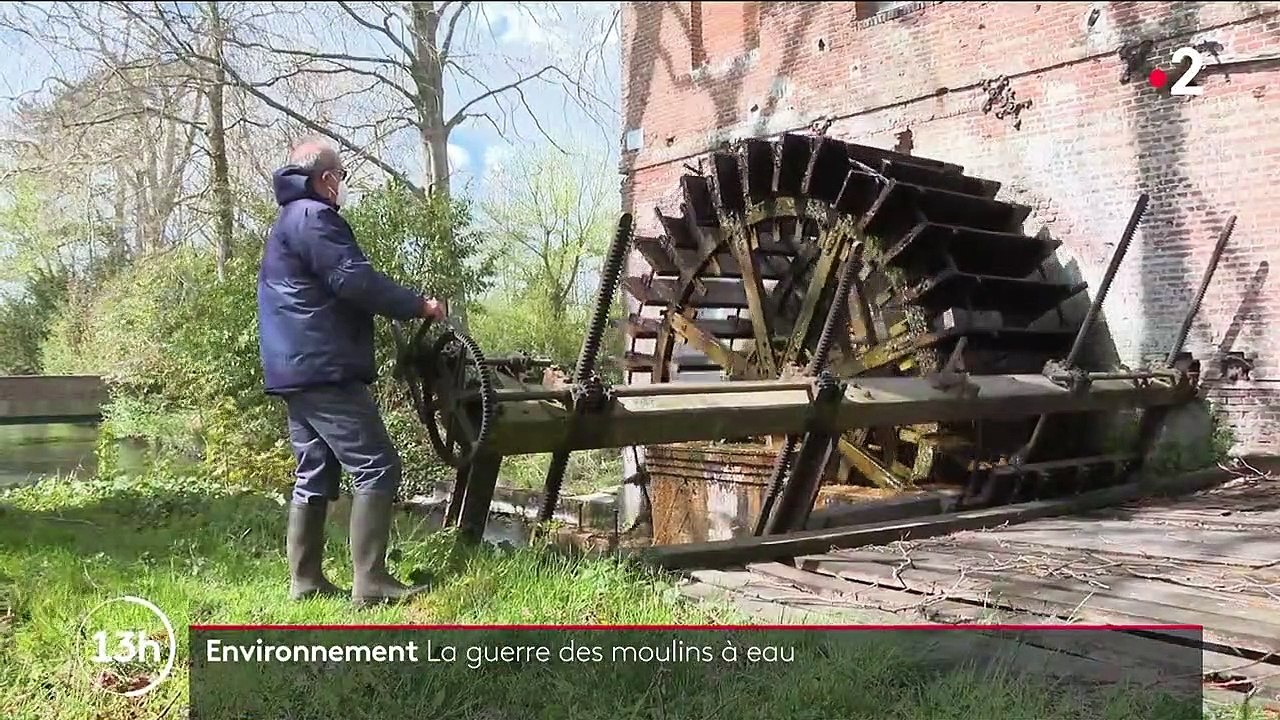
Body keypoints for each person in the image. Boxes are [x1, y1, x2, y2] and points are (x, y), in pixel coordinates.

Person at [257, 136, 445, 607]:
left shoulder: (288, 219)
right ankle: (371, 582)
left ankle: (306, 581)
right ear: (326, 179)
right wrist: (417, 305)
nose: (342, 185)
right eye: (341, 176)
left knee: (314, 472)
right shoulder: (314, 217)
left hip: (296, 368)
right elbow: (352, 279)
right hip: (324, 366)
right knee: (378, 465)